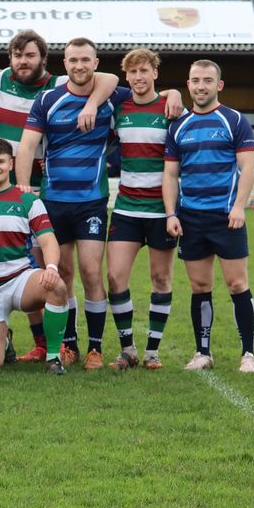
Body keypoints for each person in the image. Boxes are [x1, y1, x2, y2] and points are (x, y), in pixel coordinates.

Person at [17, 37, 128, 370]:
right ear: (63, 64)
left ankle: (95, 348)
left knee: (91, 272)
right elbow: (26, 147)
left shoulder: (110, 95)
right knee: (62, 272)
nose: (79, 66)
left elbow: (123, 82)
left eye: (85, 60)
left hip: (91, 201)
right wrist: (24, 186)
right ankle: (69, 345)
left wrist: (92, 104)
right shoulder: (48, 99)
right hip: (53, 201)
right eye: (72, 60)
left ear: (95, 63)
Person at [164, 60, 254, 373]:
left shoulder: (234, 120)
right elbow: (170, 175)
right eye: (195, 80)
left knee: (236, 284)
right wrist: (171, 213)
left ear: (219, 85)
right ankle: (202, 353)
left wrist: (239, 206)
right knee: (200, 286)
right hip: (191, 218)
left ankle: (248, 354)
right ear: (188, 84)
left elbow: (247, 167)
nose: (200, 86)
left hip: (226, 216)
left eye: (207, 80)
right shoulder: (178, 125)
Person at [0, 137, 69, 374]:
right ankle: (4, 340)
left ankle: (53, 357)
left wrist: (51, 267)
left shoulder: (27, 199)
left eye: (0, 161)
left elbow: (48, 240)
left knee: (57, 287)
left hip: (20, 280)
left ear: (11, 164)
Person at [106, 49, 178, 371]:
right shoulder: (119, 106)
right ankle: (128, 350)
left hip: (162, 210)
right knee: (115, 276)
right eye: (132, 72)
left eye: (144, 71)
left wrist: (175, 93)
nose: (138, 77)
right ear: (126, 76)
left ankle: (152, 352)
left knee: (160, 278)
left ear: (155, 73)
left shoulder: (172, 107)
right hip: (126, 208)